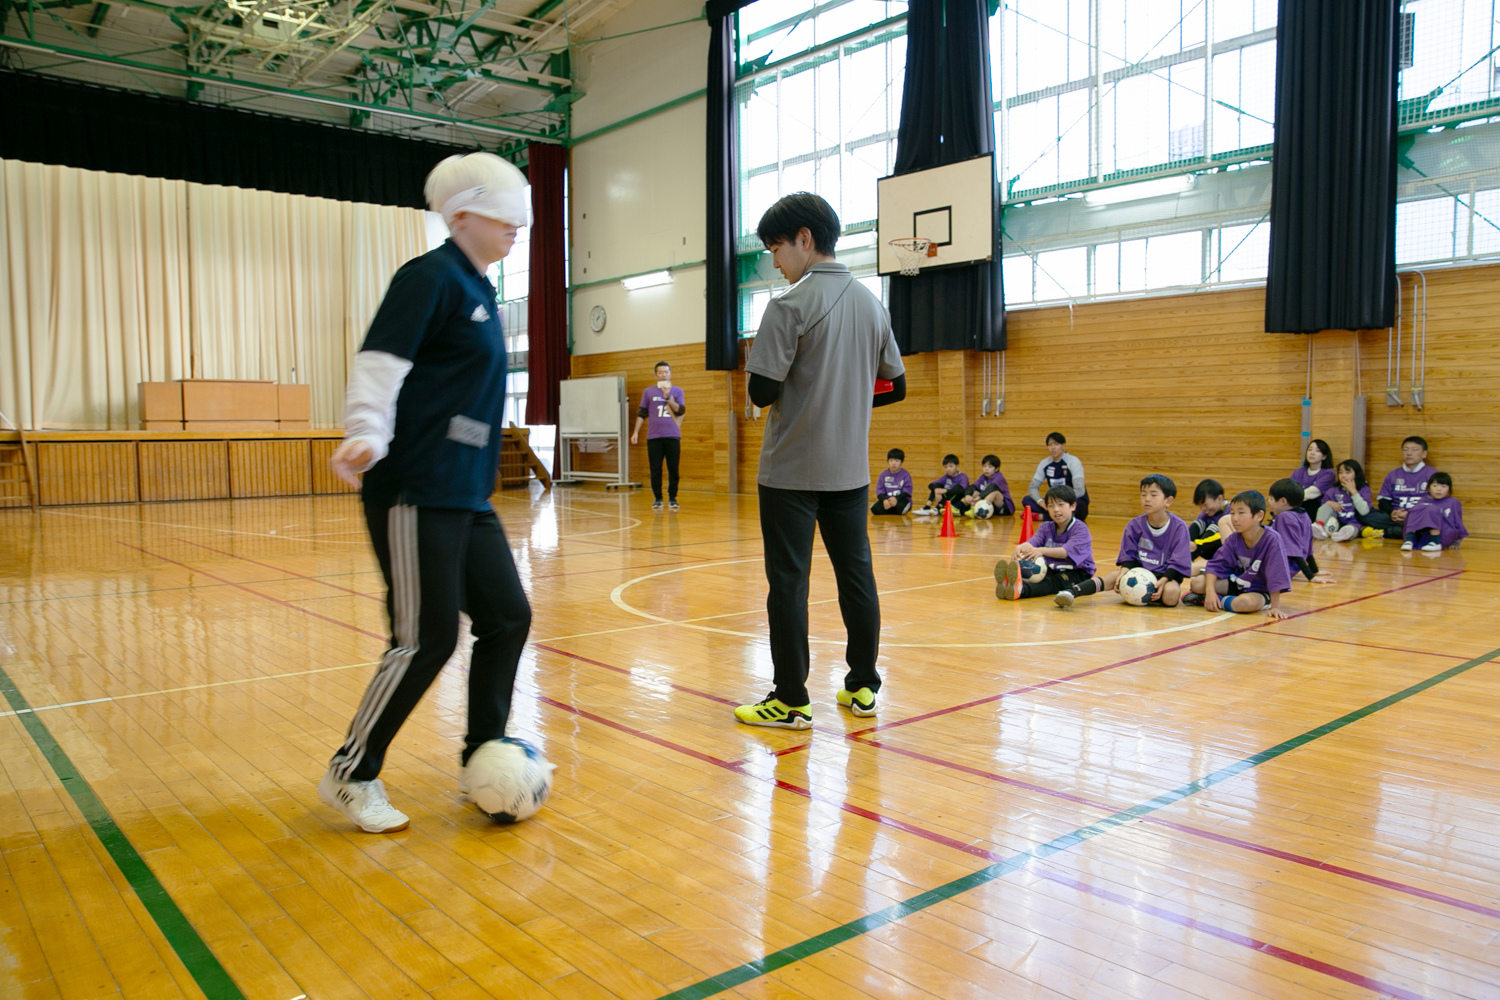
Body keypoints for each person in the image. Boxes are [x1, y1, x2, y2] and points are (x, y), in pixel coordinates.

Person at [320, 152, 533, 834]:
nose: (516, 231)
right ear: (461, 215)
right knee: (425, 639)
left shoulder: (480, 292)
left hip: (467, 496)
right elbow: (382, 360)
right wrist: (366, 432)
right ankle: (351, 773)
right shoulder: (429, 277)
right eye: (506, 220)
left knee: (508, 616)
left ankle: (484, 758)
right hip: (413, 490)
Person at [735, 192, 906, 729]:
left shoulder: (789, 305)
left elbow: (762, 392)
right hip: (850, 471)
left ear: (804, 239)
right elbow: (895, 386)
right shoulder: (871, 303)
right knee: (857, 578)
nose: (776, 263)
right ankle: (863, 687)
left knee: (788, 583)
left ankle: (790, 699)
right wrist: (849, 397)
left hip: (789, 472)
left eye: (776, 249)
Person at [1054, 474, 1191, 608]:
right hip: (1139, 570)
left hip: (1165, 574)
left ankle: (1147, 593)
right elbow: (1128, 555)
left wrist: (1164, 580)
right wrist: (1124, 573)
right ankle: (1070, 592)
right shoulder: (1134, 524)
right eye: (1143, 495)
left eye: (1153, 495)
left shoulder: (1179, 527)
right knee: (1113, 577)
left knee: (1171, 595)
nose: (1147, 499)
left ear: (1168, 501)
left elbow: (1178, 561)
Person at [1184, 490, 1290, 619]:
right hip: (1237, 583)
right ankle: (1214, 598)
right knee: (1197, 583)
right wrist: (1210, 592)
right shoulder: (1234, 539)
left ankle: (1220, 601)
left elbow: (1276, 574)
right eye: (1232, 513)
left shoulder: (1272, 539)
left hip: (1259, 590)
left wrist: (1275, 607)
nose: (1234, 518)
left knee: (1243, 604)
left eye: (1241, 513)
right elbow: (1215, 565)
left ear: (1258, 516)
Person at [993, 485, 1094, 601]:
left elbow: (1064, 552)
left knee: (1052, 583)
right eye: (1051, 506)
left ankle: (1022, 590)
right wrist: (1021, 547)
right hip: (1053, 567)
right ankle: (1008, 583)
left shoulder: (1080, 528)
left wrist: (1041, 550)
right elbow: (1033, 542)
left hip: (1077, 572)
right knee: (1031, 568)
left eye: (1061, 505)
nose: (1056, 509)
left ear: (1073, 506)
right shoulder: (1046, 527)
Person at [630, 361, 685, 511]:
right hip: (654, 436)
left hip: (672, 435)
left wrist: (668, 397)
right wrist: (636, 432)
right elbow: (642, 413)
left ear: (670, 373)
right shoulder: (648, 392)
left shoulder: (677, 391)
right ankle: (658, 498)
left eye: (666, 372)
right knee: (655, 469)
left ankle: (673, 498)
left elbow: (680, 411)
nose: (664, 374)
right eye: (660, 372)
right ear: (656, 374)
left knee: (673, 468)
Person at [1360, 436, 1437, 540]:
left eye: (1414, 450)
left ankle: (1384, 533)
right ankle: (1403, 531)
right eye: (1405, 449)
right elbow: (1383, 501)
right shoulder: (1393, 474)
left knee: (1428, 522)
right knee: (1365, 515)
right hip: (1394, 517)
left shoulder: (1432, 475)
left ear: (1424, 454)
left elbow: (1437, 504)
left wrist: (1410, 515)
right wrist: (1392, 512)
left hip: (1418, 517)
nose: (1409, 453)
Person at [1267, 479, 1323, 582]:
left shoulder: (1284, 517)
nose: (1269, 502)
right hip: (1289, 570)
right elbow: (1307, 548)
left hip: (1276, 569)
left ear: (1283, 501)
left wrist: (1311, 577)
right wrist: (1314, 570)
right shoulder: (1304, 515)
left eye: (1271, 499)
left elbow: (1294, 551)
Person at [1024, 432, 1089, 520]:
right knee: (1027, 500)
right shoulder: (1044, 463)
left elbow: (1080, 490)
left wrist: (1060, 501)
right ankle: (1055, 516)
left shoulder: (1073, 461)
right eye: (1050, 445)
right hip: (1054, 502)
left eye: (1056, 444)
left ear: (1063, 446)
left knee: (1078, 505)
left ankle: (1043, 517)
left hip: (1070, 501)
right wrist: (1041, 502)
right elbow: (1033, 487)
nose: (1053, 448)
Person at [1401, 473, 1467, 551]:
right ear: (1428, 488)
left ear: (1449, 489)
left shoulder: (1453, 502)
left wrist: (1456, 542)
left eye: (1443, 486)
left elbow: (1458, 522)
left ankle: (1435, 542)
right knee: (1417, 508)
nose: (1438, 489)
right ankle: (1409, 540)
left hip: (1443, 534)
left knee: (1431, 509)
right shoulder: (1423, 500)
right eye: (1435, 486)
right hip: (1423, 534)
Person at [1313, 460, 1371, 543]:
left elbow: (1364, 511)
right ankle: (1318, 526)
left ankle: (1342, 535)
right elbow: (1323, 508)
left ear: (1356, 474)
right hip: (1335, 523)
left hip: (1353, 524)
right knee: (1326, 506)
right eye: (1340, 472)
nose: (1343, 476)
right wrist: (1328, 503)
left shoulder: (1364, 489)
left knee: (1351, 529)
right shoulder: (1333, 490)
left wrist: (1353, 491)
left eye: (1347, 472)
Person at [952, 454, 1014, 518]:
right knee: (974, 492)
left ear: (996, 469)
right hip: (990, 506)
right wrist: (967, 495)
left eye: (990, 467)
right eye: (984, 466)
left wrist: (979, 497)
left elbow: (992, 487)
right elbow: (972, 486)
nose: (986, 469)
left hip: (1004, 508)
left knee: (994, 492)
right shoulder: (983, 477)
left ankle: (975, 510)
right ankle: (956, 508)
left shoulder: (999, 477)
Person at [1291, 439, 1335, 520]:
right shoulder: (1298, 472)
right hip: (1297, 505)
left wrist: (1288, 499)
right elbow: (1288, 489)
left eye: (1317, 450)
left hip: (1316, 508)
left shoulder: (1329, 474)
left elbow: (1311, 493)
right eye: (1310, 449)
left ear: (1324, 456)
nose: (1312, 453)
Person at [1189, 479, 1228, 562]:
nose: (1203, 509)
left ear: (1219, 498)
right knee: (1198, 523)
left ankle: (1193, 552)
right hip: (1204, 549)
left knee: (1215, 527)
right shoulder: (1204, 514)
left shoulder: (1230, 511)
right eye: (1201, 505)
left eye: (1205, 505)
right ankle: (1186, 549)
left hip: (1221, 549)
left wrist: (1197, 546)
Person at [871, 448, 914, 515]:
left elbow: (907, 490)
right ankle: (889, 508)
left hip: (900, 499)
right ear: (888, 461)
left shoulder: (905, 474)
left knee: (900, 508)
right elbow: (879, 490)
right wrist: (884, 500)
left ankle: (890, 509)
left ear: (902, 462)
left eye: (897, 461)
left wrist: (896, 498)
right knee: (875, 509)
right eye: (891, 460)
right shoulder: (883, 474)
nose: (893, 463)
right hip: (887, 499)